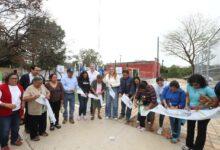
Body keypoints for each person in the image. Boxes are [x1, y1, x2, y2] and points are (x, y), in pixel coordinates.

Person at [182, 74, 218, 150]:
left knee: (201, 130)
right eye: (193, 85)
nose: (194, 86)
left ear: (201, 83)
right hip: (192, 111)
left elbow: (215, 102)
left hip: (204, 113)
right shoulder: (189, 85)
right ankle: (189, 145)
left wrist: (203, 106)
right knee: (190, 128)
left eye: (196, 85)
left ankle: (198, 148)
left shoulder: (207, 89)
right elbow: (187, 96)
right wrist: (187, 105)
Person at [0, 73, 24, 150]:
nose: (14, 80)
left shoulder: (20, 87)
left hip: (17, 112)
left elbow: (22, 98)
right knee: (5, 130)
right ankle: (4, 145)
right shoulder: (2, 87)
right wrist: (6, 105)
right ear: (8, 79)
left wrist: (22, 105)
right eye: (12, 78)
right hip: (5, 113)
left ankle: (14, 140)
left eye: (16, 78)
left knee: (16, 128)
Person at [22, 77, 50, 141]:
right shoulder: (29, 88)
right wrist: (33, 97)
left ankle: (42, 131)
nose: (40, 84)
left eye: (41, 83)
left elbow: (48, 92)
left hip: (43, 108)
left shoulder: (42, 86)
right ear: (34, 82)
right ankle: (34, 136)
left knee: (43, 121)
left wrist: (48, 95)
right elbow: (24, 98)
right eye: (39, 83)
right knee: (34, 123)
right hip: (34, 109)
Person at [19, 66, 43, 133]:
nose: (38, 72)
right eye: (36, 70)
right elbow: (21, 87)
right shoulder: (25, 77)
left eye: (39, 70)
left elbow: (42, 86)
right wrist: (23, 100)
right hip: (28, 98)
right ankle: (27, 128)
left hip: (38, 99)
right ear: (31, 70)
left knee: (37, 113)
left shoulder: (40, 77)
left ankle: (35, 127)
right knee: (28, 113)